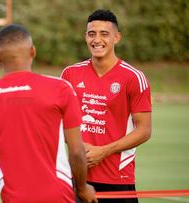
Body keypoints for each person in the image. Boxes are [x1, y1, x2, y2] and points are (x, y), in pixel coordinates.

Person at [0, 24, 97, 203]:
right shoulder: (59, 89)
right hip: (58, 196)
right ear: (33, 51)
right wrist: (83, 188)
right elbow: (76, 151)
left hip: (13, 197)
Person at [61, 9, 152, 203]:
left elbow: (144, 130)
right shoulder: (70, 74)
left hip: (118, 179)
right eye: (92, 34)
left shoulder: (133, 78)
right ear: (86, 36)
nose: (97, 40)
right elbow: (59, 123)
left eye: (104, 34)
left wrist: (103, 151)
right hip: (78, 177)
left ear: (116, 37)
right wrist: (78, 146)